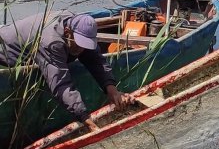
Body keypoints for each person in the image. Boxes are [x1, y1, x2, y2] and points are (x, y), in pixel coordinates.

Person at [0, 11, 129, 132]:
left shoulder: (81, 30)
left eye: (85, 45)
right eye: (79, 44)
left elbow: (96, 61)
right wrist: (84, 117)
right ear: (67, 32)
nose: (81, 50)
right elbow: (61, 83)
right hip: (5, 53)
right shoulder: (51, 42)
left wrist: (112, 90)